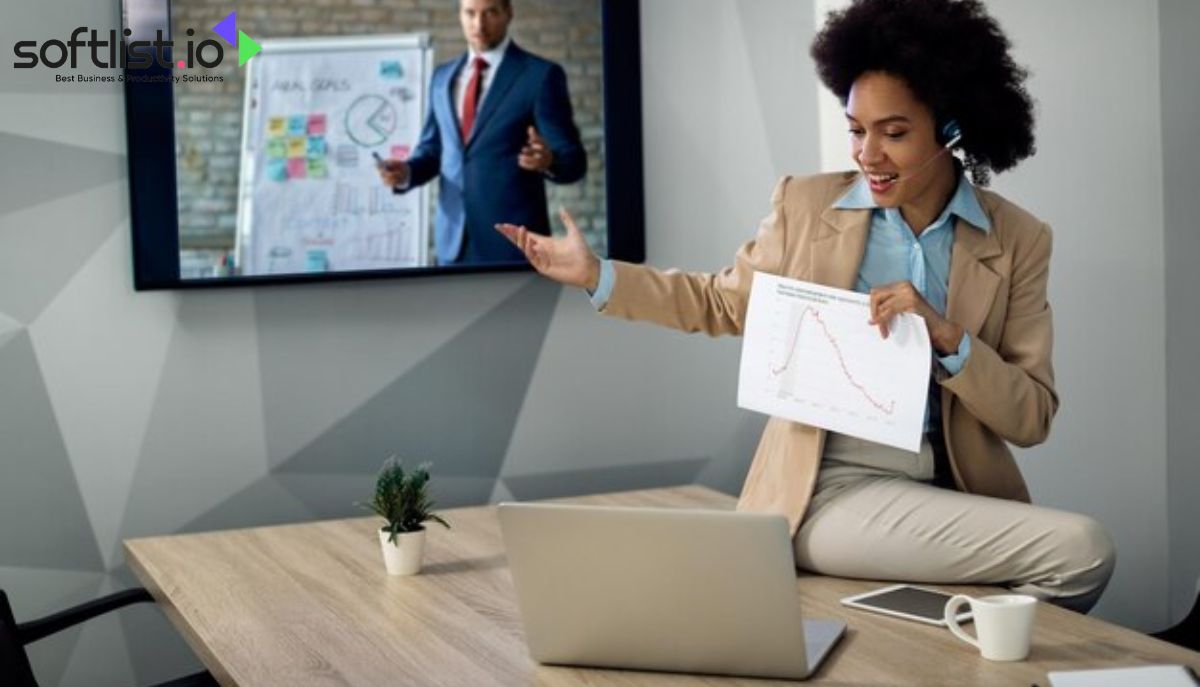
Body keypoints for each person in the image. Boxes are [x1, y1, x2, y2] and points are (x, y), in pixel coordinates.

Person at [497, 0, 1116, 613]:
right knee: (1080, 549)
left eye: (893, 133)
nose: (867, 154)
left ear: (950, 128)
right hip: (831, 484)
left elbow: (1031, 416)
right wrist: (597, 275)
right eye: (855, 128)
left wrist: (948, 337)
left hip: (949, 488)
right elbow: (720, 302)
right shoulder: (806, 206)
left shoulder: (1019, 239)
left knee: (1075, 557)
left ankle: (954, 644)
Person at [379, 0, 586, 265]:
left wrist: (549, 161)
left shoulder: (540, 76)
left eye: (490, 12)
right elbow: (433, 152)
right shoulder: (442, 78)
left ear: (508, 13)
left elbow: (574, 160)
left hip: (515, 247)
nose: (479, 24)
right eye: (470, 13)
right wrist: (405, 172)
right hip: (452, 246)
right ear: (460, 15)